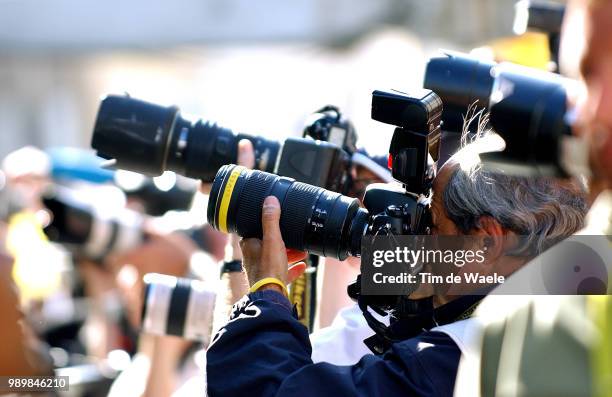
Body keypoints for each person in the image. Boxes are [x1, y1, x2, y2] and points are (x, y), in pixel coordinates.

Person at [205, 132, 587, 397]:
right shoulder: (575, 319)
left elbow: (266, 389)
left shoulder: (457, 360)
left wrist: (266, 291)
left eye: (433, 223)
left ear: (486, 241)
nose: (418, 242)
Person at [454, 0, 612, 395]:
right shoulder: (511, 331)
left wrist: (273, 294)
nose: (603, 107)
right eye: (589, 76)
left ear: (487, 238)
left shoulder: (513, 331)